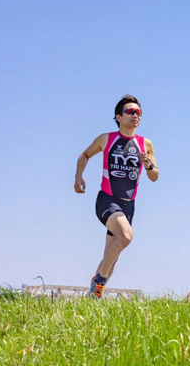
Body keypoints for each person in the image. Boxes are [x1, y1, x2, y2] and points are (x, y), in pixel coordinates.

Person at [74, 94, 158, 298]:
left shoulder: (145, 144)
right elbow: (85, 154)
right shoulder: (106, 139)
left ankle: (93, 296)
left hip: (129, 205)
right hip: (107, 200)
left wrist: (148, 165)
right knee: (126, 237)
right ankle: (99, 282)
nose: (135, 116)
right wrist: (78, 176)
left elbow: (154, 176)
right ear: (118, 117)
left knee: (112, 255)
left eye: (138, 113)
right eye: (130, 112)